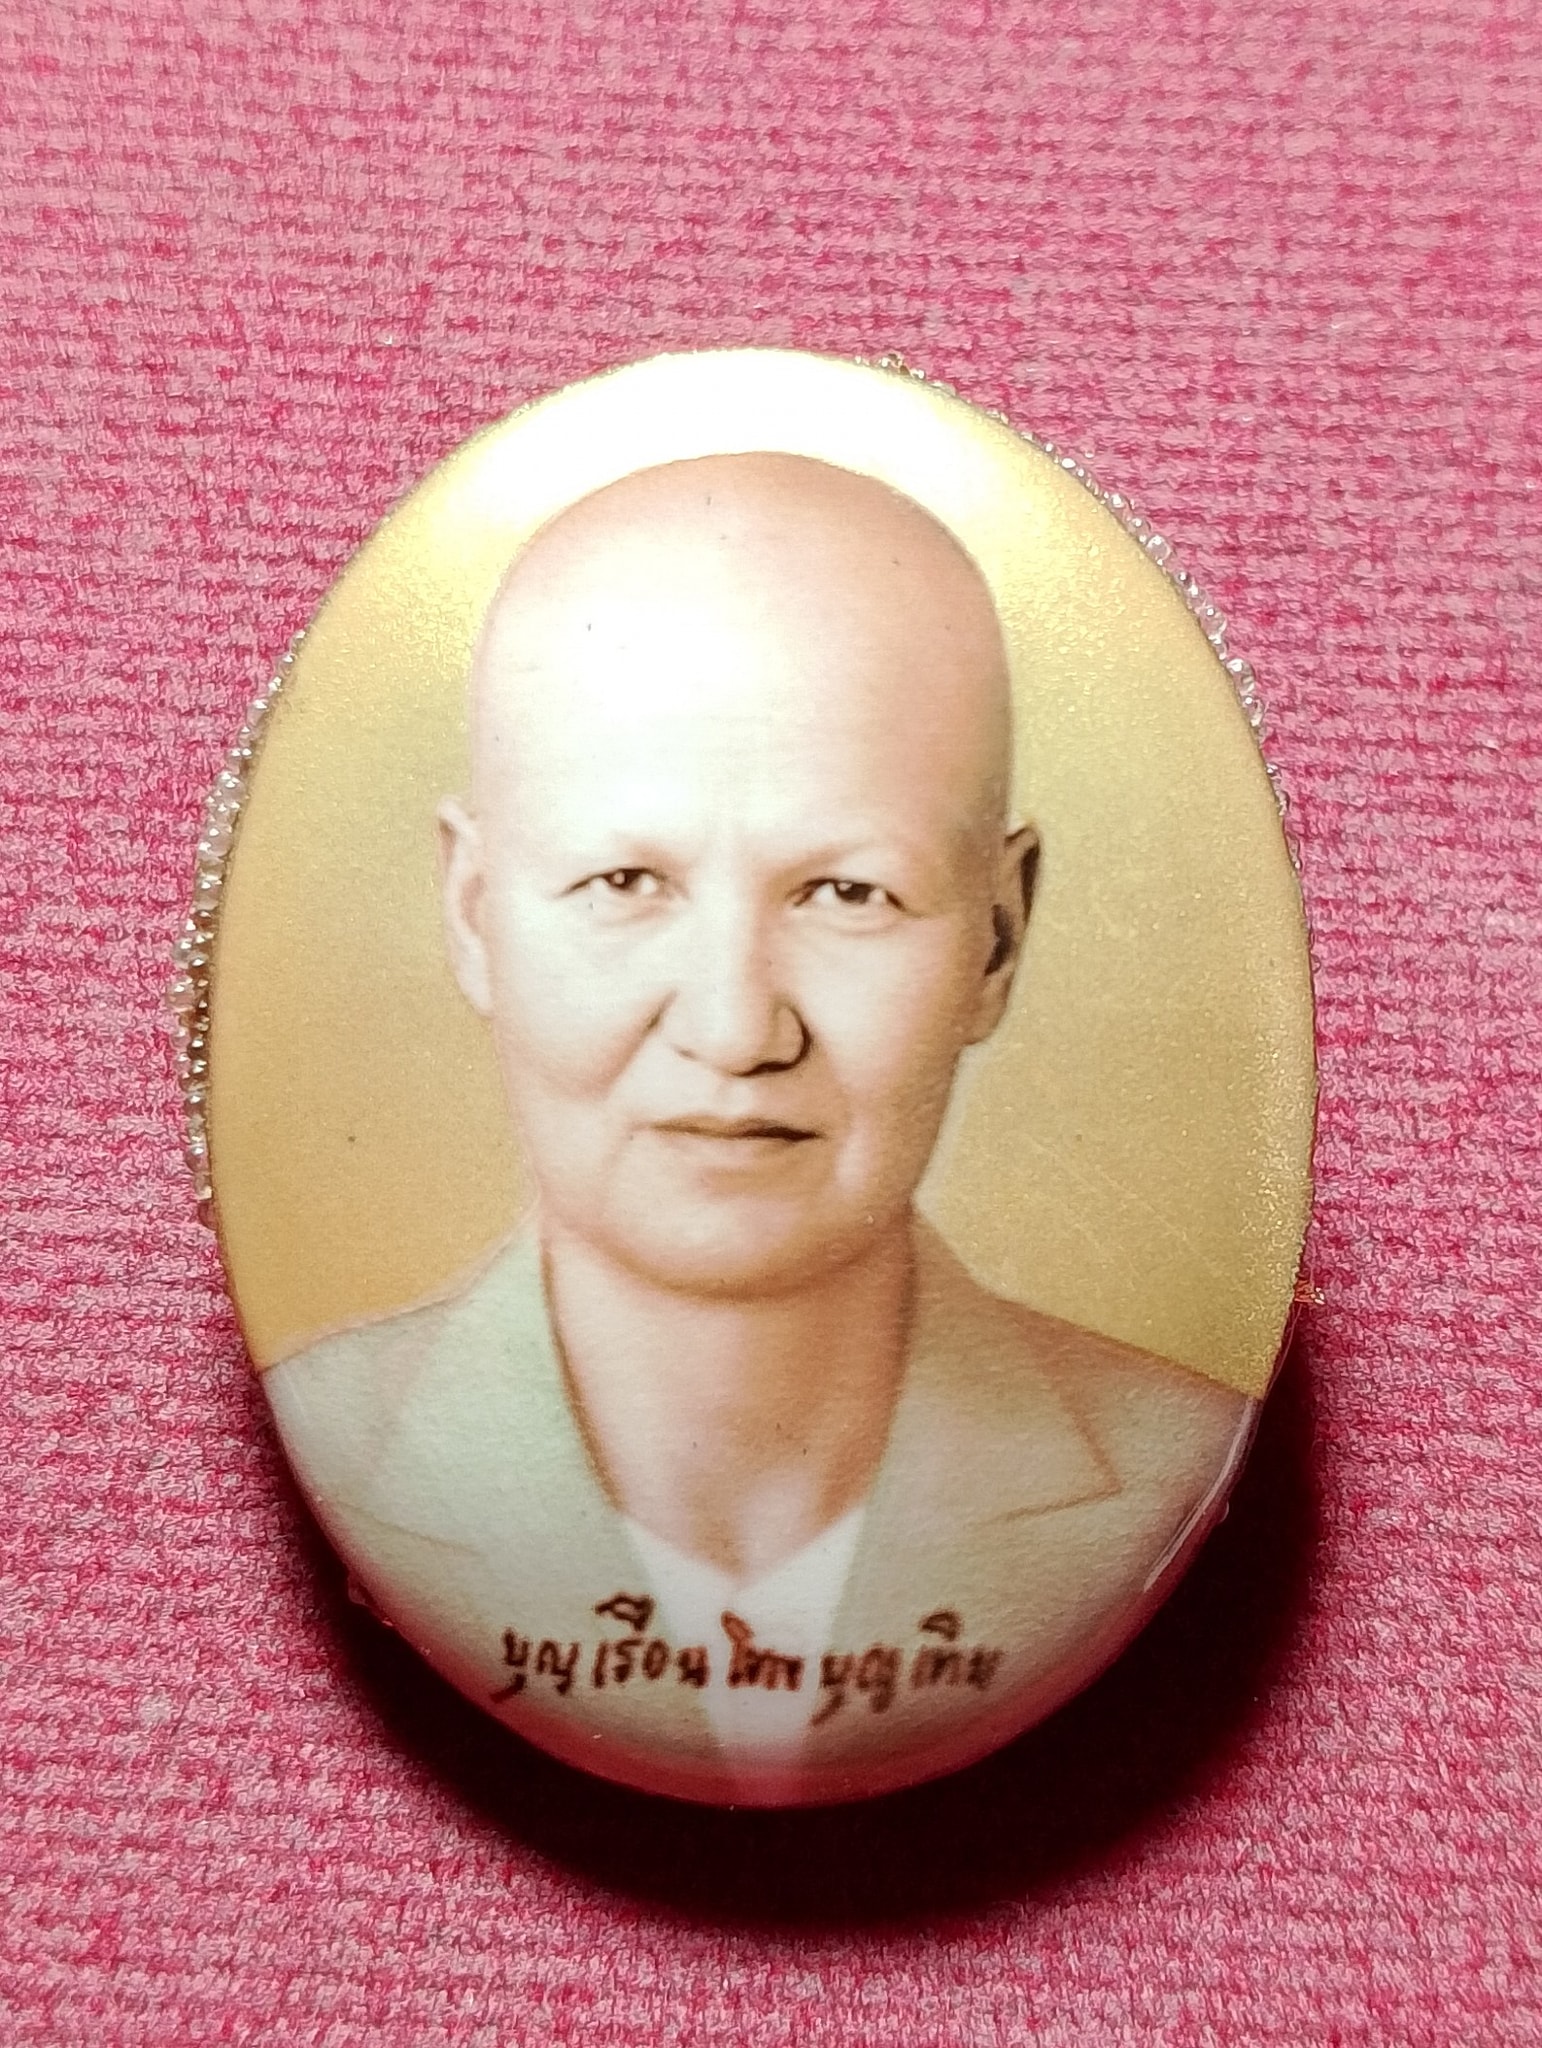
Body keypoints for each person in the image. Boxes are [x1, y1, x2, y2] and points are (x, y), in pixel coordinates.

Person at [264, 453, 1252, 1805]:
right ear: (474, 915)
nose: (735, 1029)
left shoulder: (1165, 1461)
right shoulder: (333, 1446)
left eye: (847, 893)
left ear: (997, 936)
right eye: (624, 881)